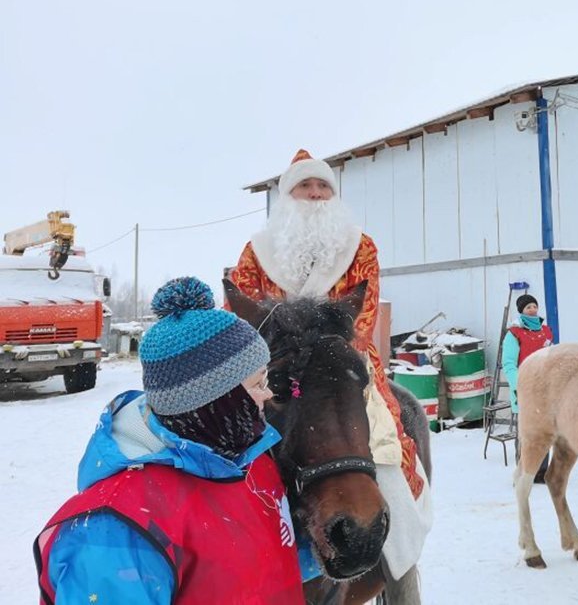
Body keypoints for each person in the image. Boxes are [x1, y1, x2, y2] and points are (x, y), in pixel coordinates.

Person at [34, 277, 304, 604]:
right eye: (258, 383)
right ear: (216, 400)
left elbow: (259, 568)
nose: (269, 393)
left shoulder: (251, 465)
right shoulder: (114, 532)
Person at [228, 148, 424, 500]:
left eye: (323, 185)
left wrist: (329, 355)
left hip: (340, 360)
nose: (316, 192)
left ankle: (396, 523)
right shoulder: (256, 252)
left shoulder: (360, 247)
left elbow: (363, 312)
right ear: (288, 195)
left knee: (386, 439)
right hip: (274, 365)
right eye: (305, 185)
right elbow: (240, 313)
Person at [501, 293, 554, 483]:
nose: (532, 309)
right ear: (521, 311)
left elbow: (552, 357)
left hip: (545, 387)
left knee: (545, 430)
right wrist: (520, 385)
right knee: (527, 431)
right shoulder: (514, 334)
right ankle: (525, 471)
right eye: (528, 307)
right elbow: (508, 364)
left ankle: (541, 472)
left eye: (534, 306)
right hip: (525, 387)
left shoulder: (546, 331)